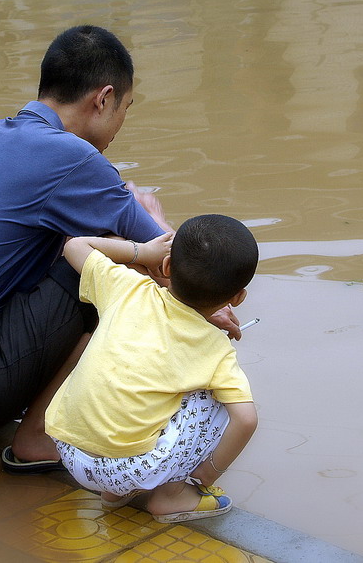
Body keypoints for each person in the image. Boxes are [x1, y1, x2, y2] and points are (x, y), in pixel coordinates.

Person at [0, 26, 241, 471]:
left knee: (83, 250)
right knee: (107, 262)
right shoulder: (72, 157)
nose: (121, 122)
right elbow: (173, 259)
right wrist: (209, 300)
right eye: (125, 107)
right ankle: (39, 435)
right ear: (103, 99)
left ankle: (41, 403)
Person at [45, 214, 259, 522]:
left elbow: (76, 246)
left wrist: (142, 252)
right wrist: (207, 475)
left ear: (168, 267)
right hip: (128, 470)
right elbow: (246, 420)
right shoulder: (217, 349)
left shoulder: (126, 288)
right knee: (216, 396)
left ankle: (115, 493)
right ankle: (172, 496)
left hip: (69, 453)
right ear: (237, 298)